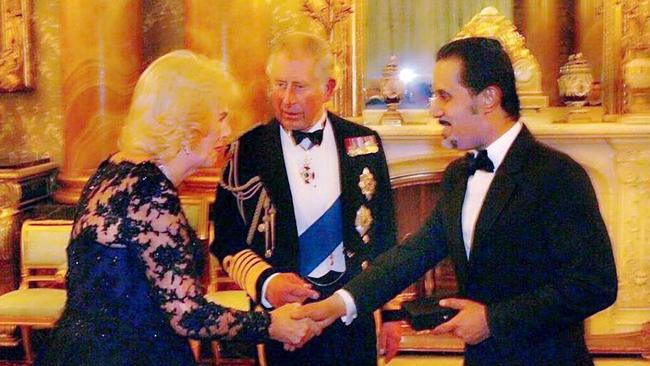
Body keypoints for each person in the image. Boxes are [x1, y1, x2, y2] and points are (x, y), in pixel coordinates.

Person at [294, 37, 618, 366]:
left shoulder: (558, 175)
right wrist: (339, 303)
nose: (434, 109)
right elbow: (414, 254)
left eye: (445, 96)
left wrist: (493, 320)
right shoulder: (457, 176)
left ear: (488, 98)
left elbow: (595, 284)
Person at [36, 50, 319, 366]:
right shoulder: (149, 191)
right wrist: (271, 325)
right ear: (189, 124)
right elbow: (186, 315)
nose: (226, 132)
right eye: (220, 118)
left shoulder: (113, 170)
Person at [211, 32, 396, 366]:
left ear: (328, 88)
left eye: (299, 86)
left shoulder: (364, 143)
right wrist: (267, 282)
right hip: (284, 316)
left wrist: (393, 315)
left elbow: (385, 233)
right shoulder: (246, 151)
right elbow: (225, 238)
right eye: (279, 84)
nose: (286, 99)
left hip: (351, 309)